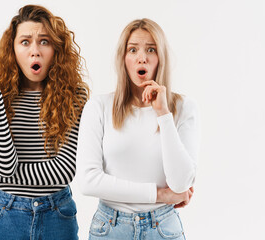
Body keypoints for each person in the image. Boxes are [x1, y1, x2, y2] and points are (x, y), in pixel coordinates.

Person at [0, 5, 88, 240]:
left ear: (56, 49)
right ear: (13, 49)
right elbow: (5, 165)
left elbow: (63, 172)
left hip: (57, 215)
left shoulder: (73, 96)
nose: (35, 51)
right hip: (6, 215)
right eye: (25, 42)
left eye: (44, 41)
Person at [76, 18, 199, 240]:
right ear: (123, 59)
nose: (141, 57)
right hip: (110, 228)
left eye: (150, 49)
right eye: (133, 50)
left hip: (163, 228)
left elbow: (181, 183)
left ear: (160, 58)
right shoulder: (99, 107)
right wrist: (159, 194)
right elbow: (88, 180)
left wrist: (163, 114)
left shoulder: (182, 108)